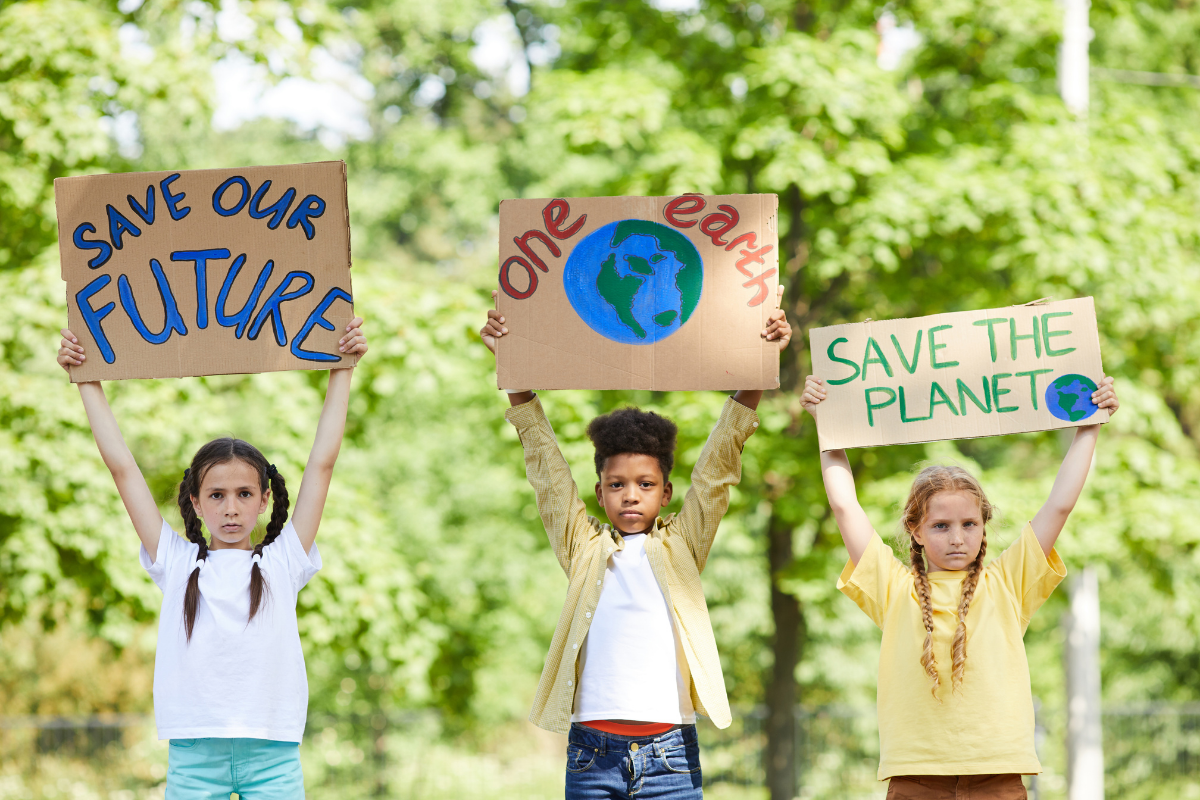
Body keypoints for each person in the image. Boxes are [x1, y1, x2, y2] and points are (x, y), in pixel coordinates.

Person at [481, 288, 791, 799]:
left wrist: (760, 361)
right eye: (617, 485)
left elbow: (718, 466)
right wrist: (513, 371)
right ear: (600, 492)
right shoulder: (583, 546)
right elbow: (547, 470)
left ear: (666, 492)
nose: (631, 496)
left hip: (669, 752)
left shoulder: (683, 546)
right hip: (590, 751)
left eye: (645, 485)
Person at [55, 319, 368, 799]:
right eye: (217, 494)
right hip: (194, 755)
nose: (231, 507)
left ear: (264, 499)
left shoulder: (283, 561)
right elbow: (122, 468)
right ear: (196, 503)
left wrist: (342, 368)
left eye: (244, 493)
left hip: (273, 755)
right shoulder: (177, 563)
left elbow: (322, 463)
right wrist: (86, 379)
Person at [800, 374, 1119, 800]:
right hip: (915, 780)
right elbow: (844, 505)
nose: (957, 537)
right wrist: (828, 424)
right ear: (914, 530)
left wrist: (1089, 424)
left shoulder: (1008, 582)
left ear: (983, 524)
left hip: (999, 777)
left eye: (969, 524)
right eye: (941, 525)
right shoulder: (895, 588)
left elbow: (1060, 503)